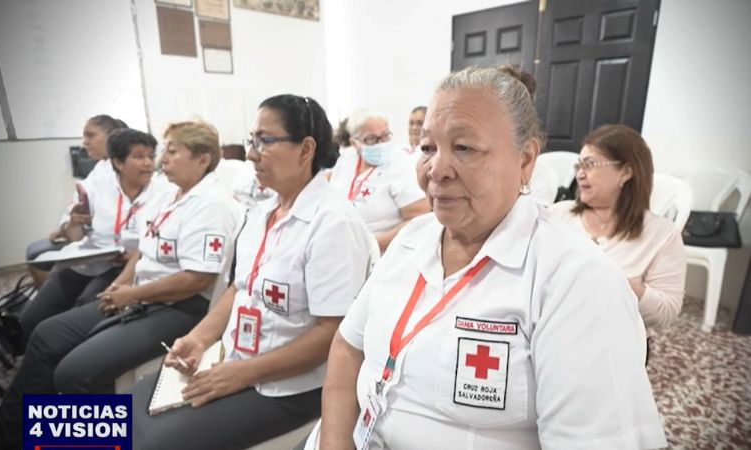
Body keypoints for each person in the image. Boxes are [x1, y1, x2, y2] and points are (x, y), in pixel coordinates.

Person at [318, 66, 667, 449]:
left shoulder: (575, 281)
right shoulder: (412, 238)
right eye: (429, 148)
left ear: (526, 160)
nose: (436, 169)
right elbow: (347, 347)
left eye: (464, 148)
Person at [128, 94, 376, 450]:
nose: (250, 154)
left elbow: (333, 334)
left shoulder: (333, 224)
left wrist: (242, 373)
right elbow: (240, 288)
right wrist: (198, 338)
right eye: (251, 140)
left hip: (292, 387)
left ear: (305, 149)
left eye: (264, 141)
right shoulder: (262, 214)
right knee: (131, 405)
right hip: (238, 360)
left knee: (156, 442)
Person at [0, 121, 244, 449]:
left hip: (180, 306)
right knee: (47, 335)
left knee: (75, 372)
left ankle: (81, 441)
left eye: (172, 152)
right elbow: (144, 250)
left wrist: (132, 295)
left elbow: (196, 279)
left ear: (202, 159)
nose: (162, 160)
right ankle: (10, 436)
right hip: (144, 295)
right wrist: (118, 286)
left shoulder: (211, 206)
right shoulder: (171, 195)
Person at [17, 128, 165, 340]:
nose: (148, 163)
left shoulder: (164, 192)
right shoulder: (94, 187)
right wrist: (75, 223)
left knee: (82, 313)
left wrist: (135, 254)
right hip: (85, 260)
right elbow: (73, 235)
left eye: (151, 156)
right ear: (118, 163)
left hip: (125, 267)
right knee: (31, 319)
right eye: (139, 157)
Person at [550, 124, 686, 338]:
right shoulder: (557, 216)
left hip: (618, 340)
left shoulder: (662, 234)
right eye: (579, 166)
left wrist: (618, 281)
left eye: (590, 164)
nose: (580, 174)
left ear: (625, 171)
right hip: (553, 333)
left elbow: (666, 312)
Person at [25, 115, 128, 288]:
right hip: (88, 244)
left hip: (109, 251)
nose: (84, 142)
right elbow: (76, 211)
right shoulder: (99, 170)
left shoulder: (123, 174)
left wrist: (73, 228)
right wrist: (68, 225)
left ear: (111, 137)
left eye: (90, 136)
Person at [328, 109, 429, 252]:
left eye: (385, 136)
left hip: (381, 257)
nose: (381, 143)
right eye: (371, 139)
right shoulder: (346, 161)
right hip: (341, 251)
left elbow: (420, 219)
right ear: (355, 143)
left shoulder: (401, 166)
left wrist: (371, 246)